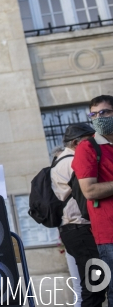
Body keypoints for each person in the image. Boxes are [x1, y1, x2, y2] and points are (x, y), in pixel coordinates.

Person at [52, 123, 105, 307]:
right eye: (89, 140)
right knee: (94, 285)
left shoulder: (60, 160)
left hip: (73, 229)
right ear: (76, 142)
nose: (93, 144)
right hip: (79, 227)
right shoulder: (73, 161)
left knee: (92, 283)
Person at [74, 95, 113, 307]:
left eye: (105, 112)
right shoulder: (88, 148)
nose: (99, 117)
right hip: (109, 234)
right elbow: (89, 190)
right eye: (94, 114)